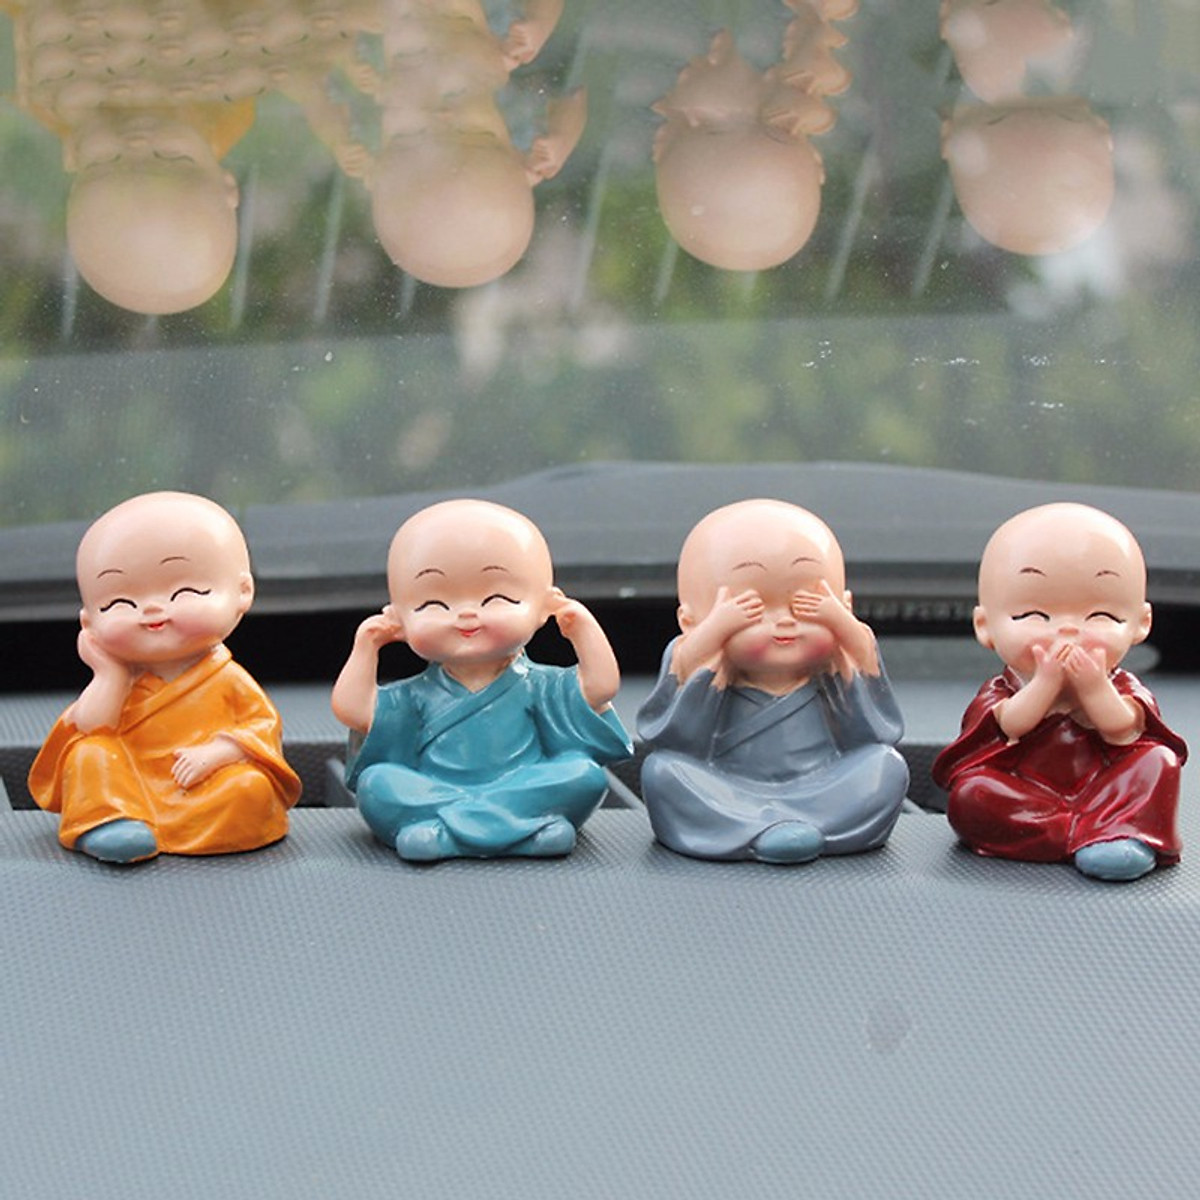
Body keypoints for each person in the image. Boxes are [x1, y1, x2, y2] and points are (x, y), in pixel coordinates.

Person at [331, 499, 631, 861]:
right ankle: (524, 830)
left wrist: (583, 629)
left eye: (497, 597)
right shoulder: (417, 696)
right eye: (433, 605)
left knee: (583, 773)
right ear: (399, 618)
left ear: (543, 607)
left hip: (515, 783)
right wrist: (366, 646)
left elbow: (600, 689)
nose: (467, 614)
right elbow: (354, 711)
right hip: (441, 788)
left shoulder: (536, 685)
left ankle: (446, 833)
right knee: (377, 782)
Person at [28, 492, 302, 863]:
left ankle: (184, 827)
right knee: (89, 752)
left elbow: (261, 726)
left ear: (242, 592)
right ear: (89, 621)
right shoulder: (123, 679)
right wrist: (109, 675)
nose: (152, 609)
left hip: (202, 782)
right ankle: (111, 821)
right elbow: (93, 726)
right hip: (127, 785)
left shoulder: (226, 678)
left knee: (250, 786)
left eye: (186, 591)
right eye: (119, 603)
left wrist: (217, 753)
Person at [637, 499, 908, 863]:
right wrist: (714, 633)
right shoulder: (705, 666)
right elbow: (677, 739)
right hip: (727, 790)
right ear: (690, 621)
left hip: (823, 788)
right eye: (753, 608)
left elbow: (873, 733)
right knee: (663, 772)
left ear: (845, 606)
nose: (784, 621)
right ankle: (765, 828)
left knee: (885, 766)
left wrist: (844, 628)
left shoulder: (835, 668)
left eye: (805, 606)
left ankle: (786, 828)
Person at [932, 502, 1185, 881]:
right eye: (1033, 615)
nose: (1067, 630)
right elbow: (1011, 725)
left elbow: (1124, 729)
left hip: (1105, 788)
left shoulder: (1123, 687)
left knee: (1157, 761)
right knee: (973, 793)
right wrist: (1045, 684)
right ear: (984, 626)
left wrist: (1094, 687)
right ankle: (1089, 832)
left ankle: (1112, 831)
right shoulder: (1002, 691)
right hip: (1026, 793)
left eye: (1101, 616)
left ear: (1140, 623)